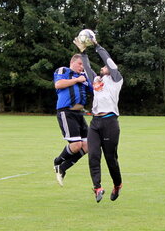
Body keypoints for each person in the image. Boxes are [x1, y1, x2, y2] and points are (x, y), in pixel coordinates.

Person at [74, 35, 123, 203]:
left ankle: (117, 185)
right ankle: (97, 187)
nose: (103, 67)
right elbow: (87, 68)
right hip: (95, 123)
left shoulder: (116, 79)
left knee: (110, 159)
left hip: (110, 122)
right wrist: (83, 52)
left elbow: (107, 59)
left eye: (105, 66)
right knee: (93, 155)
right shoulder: (96, 80)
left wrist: (96, 44)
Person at [53, 54, 93, 186]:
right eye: (80, 64)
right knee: (76, 145)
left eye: (84, 65)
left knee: (87, 146)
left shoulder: (84, 77)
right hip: (66, 112)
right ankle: (58, 162)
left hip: (79, 114)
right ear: (72, 62)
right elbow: (58, 84)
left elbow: (94, 89)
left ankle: (62, 169)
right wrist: (77, 80)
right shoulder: (63, 70)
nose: (82, 67)